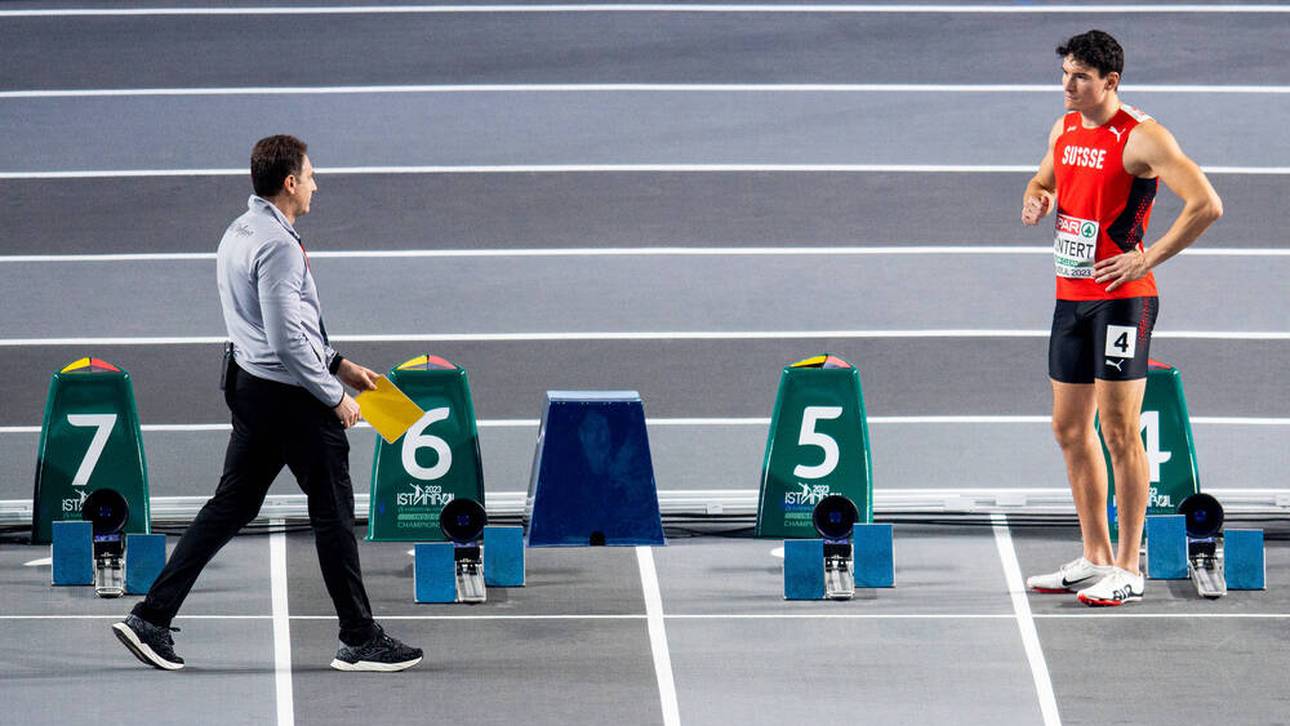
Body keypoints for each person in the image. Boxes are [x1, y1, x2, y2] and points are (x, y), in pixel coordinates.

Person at [113, 135, 423, 670]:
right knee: (332, 510)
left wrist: (339, 363)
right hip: (288, 397)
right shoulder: (279, 245)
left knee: (232, 505)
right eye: (310, 176)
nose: (315, 185)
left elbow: (282, 325)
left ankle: (151, 618)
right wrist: (335, 397)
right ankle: (359, 638)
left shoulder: (242, 229)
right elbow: (283, 337)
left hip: (249, 383)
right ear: (289, 182)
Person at [1020, 31, 1222, 605]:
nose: (1067, 86)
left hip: (1123, 299)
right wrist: (1036, 196)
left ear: (1111, 81)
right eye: (1064, 74)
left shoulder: (1141, 137)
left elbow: (1206, 203)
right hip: (1070, 297)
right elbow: (1044, 178)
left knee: (1117, 430)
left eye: (1080, 77)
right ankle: (1094, 558)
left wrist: (1147, 255)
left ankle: (1129, 568)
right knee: (1067, 429)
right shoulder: (1064, 129)